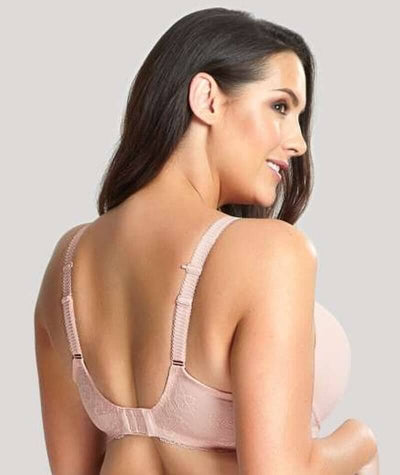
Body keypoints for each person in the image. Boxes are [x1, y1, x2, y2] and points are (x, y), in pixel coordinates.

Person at [34, 7, 379, 474]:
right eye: (280, 107)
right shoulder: (270, 252)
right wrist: (361, 441)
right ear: (207, 99)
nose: (298, 143)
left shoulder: (67, 263)